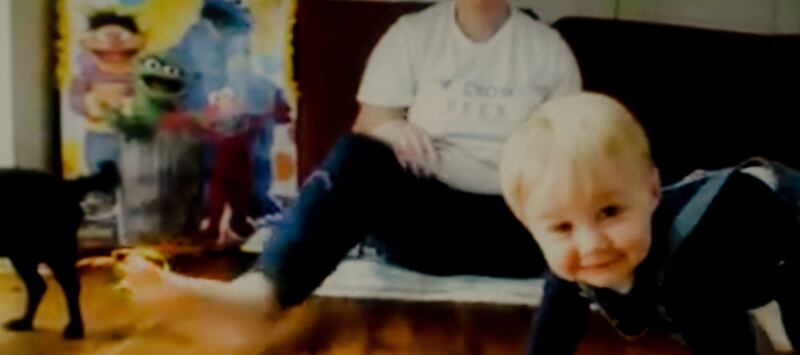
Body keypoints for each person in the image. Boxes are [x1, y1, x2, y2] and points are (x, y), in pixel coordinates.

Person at [119, 0, 581, 320]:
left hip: (518, 229)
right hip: (423, 232)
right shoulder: (411, 37)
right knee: (356, 152)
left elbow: (574, 151)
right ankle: (258, 298)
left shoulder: (547, 49)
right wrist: (388, 128)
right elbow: (367, 135)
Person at [465, 92, 799, 355]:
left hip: (783, 224)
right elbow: (558, 315)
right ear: (528, 225)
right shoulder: (576, 262)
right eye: (562, 228)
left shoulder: (692, 262)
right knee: (713, 313)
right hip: (733, 256)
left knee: (738, 322)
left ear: (652, 191)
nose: (592, 244)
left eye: (609, 212)